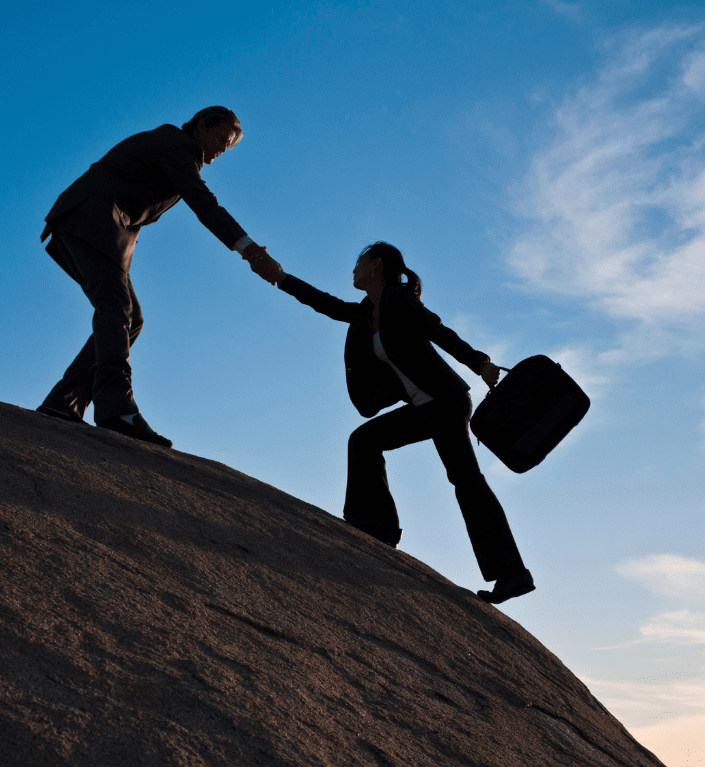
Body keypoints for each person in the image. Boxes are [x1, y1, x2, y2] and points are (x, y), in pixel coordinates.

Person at [250, 242, 535, 605]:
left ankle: (512, 575)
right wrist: (280, 278)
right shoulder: (367, 312)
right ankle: (376, 527)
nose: (352, 270)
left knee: (466, 481)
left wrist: (480, 363)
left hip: (445, 402)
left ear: (376, 265)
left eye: (358, 263)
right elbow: (323, 303)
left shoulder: (399, 300)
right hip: (424, 408)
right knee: (365, 440)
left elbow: (437, 331)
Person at [36, 106, 283, 447]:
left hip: (98, 228)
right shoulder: (178, 146)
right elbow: (205, 205)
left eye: (230, 146)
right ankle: (117, 408)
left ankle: (65, 401)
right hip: (91, 220)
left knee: (130, 318)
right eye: (223, 139)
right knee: (117, 308)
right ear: (200, 126)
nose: (224, 149)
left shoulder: (174, 147)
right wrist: (252, 252)